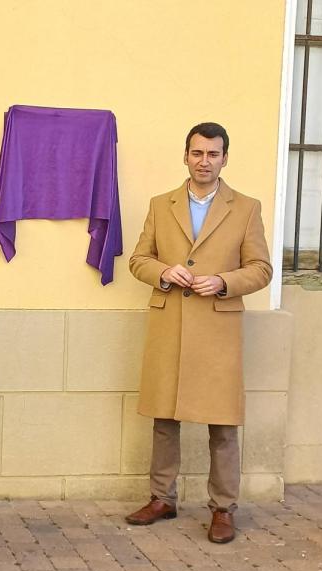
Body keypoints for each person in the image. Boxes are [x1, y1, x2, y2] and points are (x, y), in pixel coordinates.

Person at [126, 122, 272, 544]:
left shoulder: (245, 207)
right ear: (185, 156)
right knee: (164, 419)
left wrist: (223, 282)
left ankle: (223, 508)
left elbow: (261, 268)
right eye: (197, 153)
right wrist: (162, 272)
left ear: (225, 158)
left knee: (222, 425)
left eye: (213, 154)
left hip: (217, 327)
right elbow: (138, 259)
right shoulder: (160, 204)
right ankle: (161, 498)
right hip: (170, 321)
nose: (204, 161)